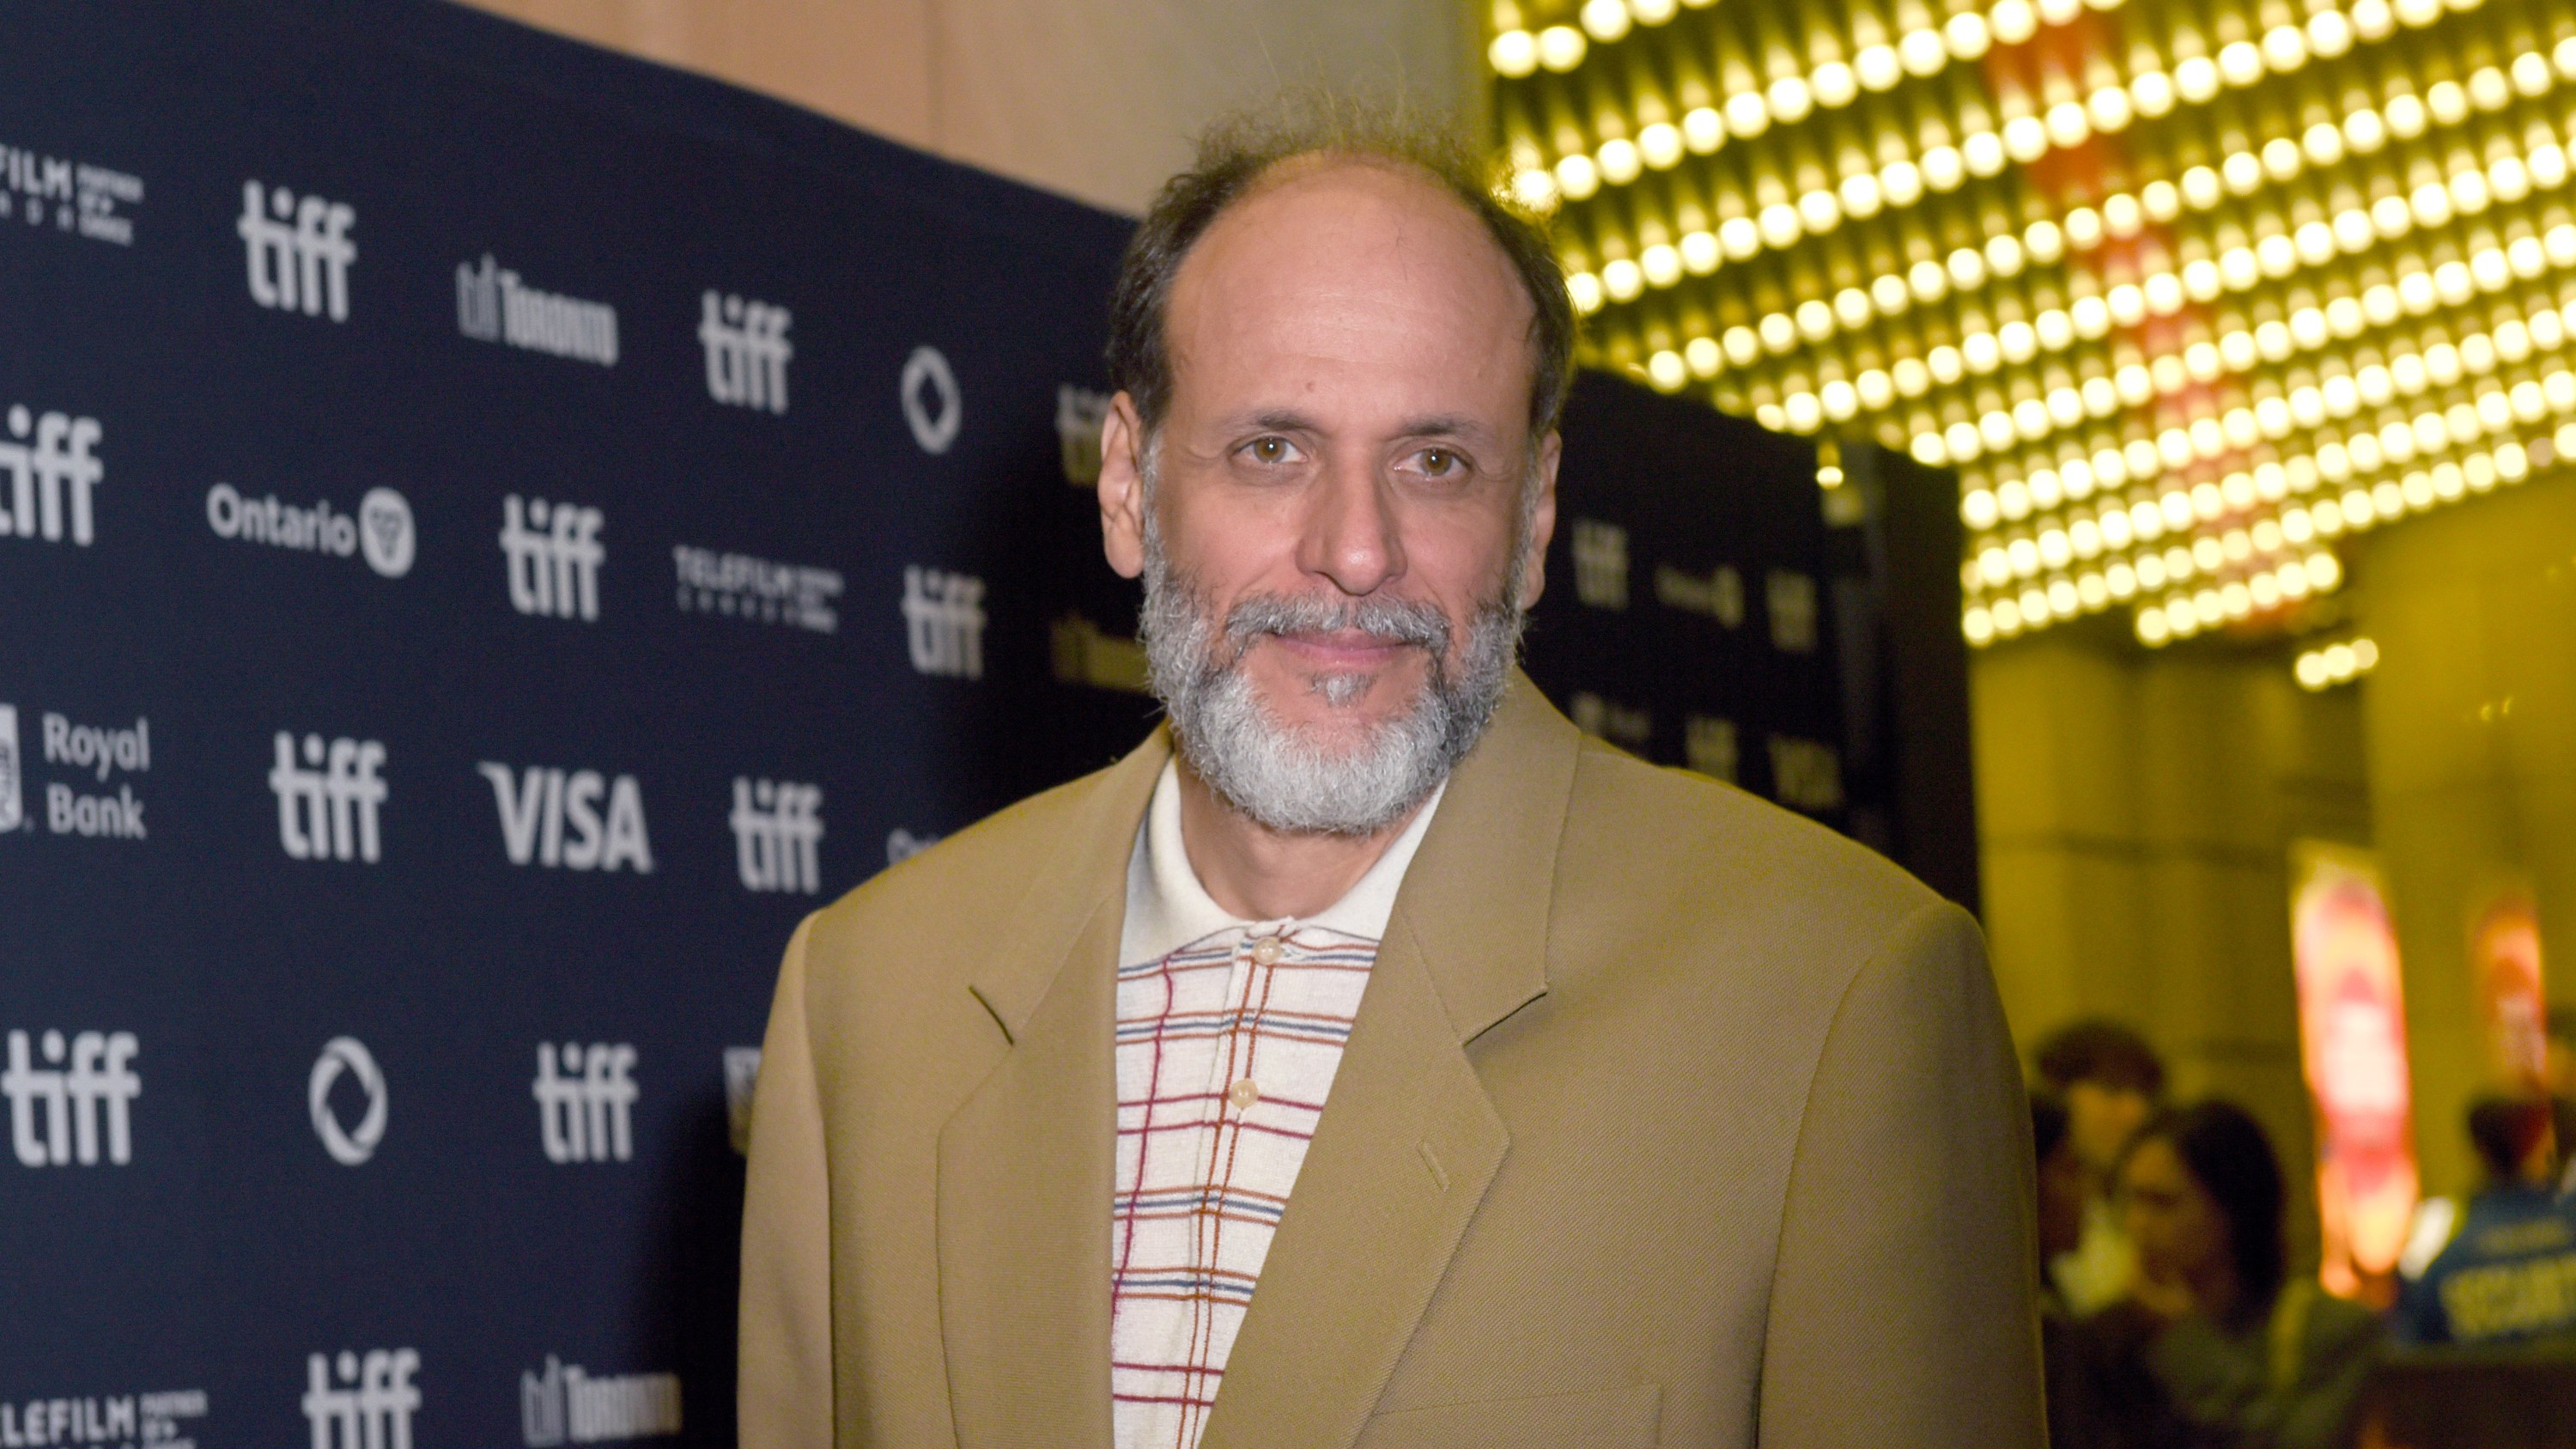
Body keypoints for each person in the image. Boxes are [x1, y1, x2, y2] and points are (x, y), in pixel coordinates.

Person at [736, 100, 2042, 1449]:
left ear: (1532, 520)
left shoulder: (1835, 996)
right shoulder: (867, 1002)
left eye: (1434, 460)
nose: (1356, 550)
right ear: (1129, 485)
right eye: (1272, 449)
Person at [2065, 1102, 2381, 1449]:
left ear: (2231, 1210)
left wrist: (2183, 1341)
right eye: (2131, 1201)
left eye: (2162, 1202)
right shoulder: (2104, 1337)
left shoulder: (2328, 1330)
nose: (2137, 1225)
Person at [2393, 1095, 2576, 1345]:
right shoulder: (2568, 1225)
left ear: (2480, 1150)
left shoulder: (2440, 1251)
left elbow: (2411, 1346)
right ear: (2540, 1144)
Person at [2037, 1019, 2170, 1315]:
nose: (2135, 1111)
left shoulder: (2146, 1207)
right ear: (2059, 1093)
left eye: (2145, 1093)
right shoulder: (2039, 1209)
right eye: (2112, 1090)